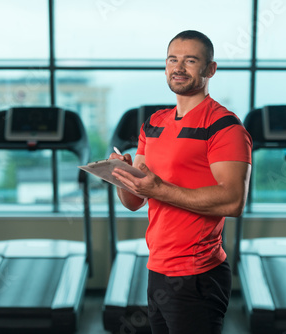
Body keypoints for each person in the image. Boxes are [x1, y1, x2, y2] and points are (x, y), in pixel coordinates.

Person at [110, 30, 252, 334]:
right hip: (157, 268)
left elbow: (233, 201)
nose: (179, 67)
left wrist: (157, 189)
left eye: (190, 60)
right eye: (173, 60)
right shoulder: (154, 123)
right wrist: (122, 176)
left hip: (198, 274)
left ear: (210, 69)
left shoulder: (225, 127)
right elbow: (135, 201)